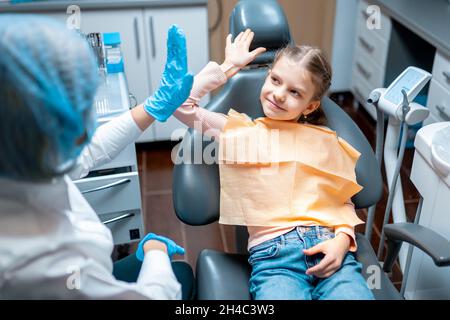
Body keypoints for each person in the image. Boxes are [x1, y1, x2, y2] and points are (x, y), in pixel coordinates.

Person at [171, 29, 375, 300]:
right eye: (275, 80)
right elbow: (180, 105)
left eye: (294, 92)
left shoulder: (326, 141)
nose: (279, 94)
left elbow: (341, 202)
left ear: (310, 107)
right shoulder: (240, 132)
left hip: (330, 248)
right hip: (275, 259)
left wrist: (342, 240)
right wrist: (229, 66)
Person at [0, 15, 192, 299]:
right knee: (181, 276)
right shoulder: (43, 264)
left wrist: (156, 104)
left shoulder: (22, 157)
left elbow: (87, 152)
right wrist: (156, 253)